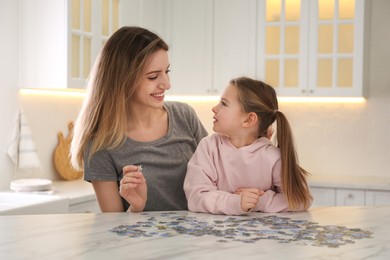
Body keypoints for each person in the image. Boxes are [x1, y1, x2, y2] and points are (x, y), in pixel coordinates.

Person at [70, 26, 208, 213]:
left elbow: (221, 169)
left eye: (167, 72)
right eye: (153, 77)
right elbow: (114, 226)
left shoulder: (185, 116)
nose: (167, 84)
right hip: (144, 242)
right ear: (123, 80)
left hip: (198, 238)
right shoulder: (100, 144)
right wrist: (136, 207)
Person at [184, 77, 312, 215]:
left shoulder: (272, 157)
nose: (214, 108)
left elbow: (301, 199)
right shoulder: (209, 148)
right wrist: (235, 202)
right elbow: (196, 196)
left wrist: (257, 202)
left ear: (248, 119)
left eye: (224, 103)